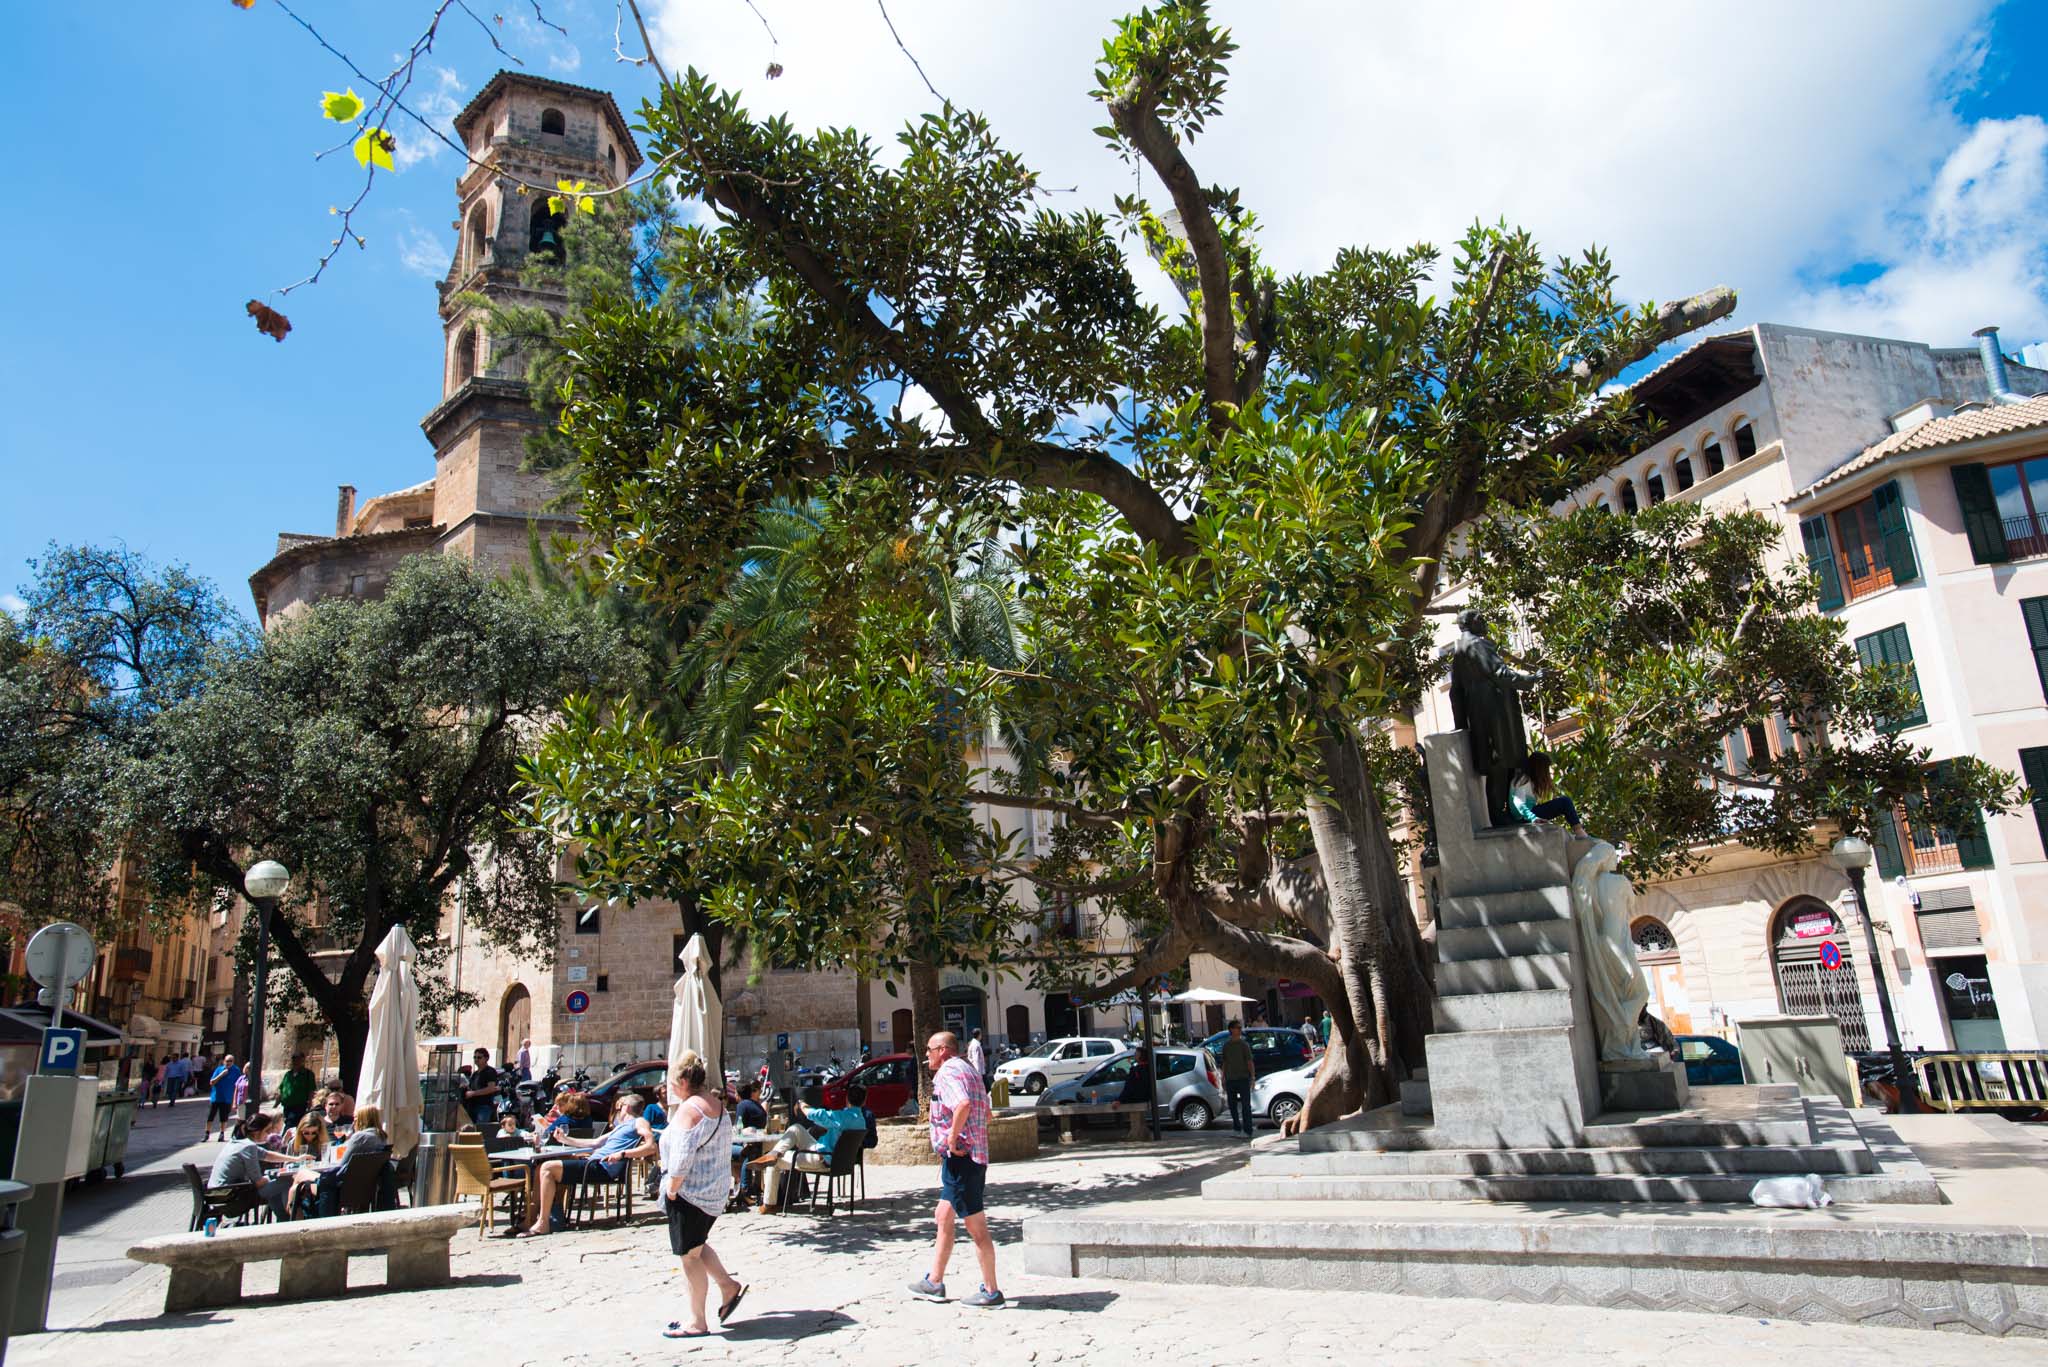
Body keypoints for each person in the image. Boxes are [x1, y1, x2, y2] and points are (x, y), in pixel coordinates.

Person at [908, 1032, 1002, 1308]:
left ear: (943, 1050)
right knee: (943, 1216)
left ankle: (992, 1291)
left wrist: (951, 1137)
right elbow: (986, 1110)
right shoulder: (969, 1070)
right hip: (969, 1157)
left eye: (929, 1050)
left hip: (962, 1159)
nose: (926, 1055)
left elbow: (963, 1104)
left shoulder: (948, 1073)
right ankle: (934, 1281)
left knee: (977, 1228)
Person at [659, 1052, 747, 1339]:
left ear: (684, 1081)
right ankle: (728, 1286)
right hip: (713, 1191)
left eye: (673, 1082)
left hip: (690, 1193)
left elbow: (682, 1159)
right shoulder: (716, 1104)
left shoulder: (689, 1110)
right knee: (697, 1245)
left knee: (689, 1257)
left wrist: (672, 1188)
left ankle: (697, 1321)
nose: (670, 1087)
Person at [523, 1094, 658, 1236]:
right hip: (592, 1164)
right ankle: (530, 1219)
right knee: (540, 1168)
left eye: (621, 1105)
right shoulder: (621, 1127)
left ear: (627, 1107)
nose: (618, 1108)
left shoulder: (639, 1122)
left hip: (601, 1168)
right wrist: (565, 1139)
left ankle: (543, 1223)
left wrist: (623, 1154)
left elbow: (651, 1146)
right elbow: (595, 1142)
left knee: (547, 1167)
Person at [750, 1087, 868, 1213]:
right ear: (864, 1101)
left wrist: (801, 1105)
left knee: (774, 1163)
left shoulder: (841, 1117)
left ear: (847, 1099)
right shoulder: (861, 1121)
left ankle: (769, 1204)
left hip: (821, 1158)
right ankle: (775, 1153)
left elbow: (814, 1115)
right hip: (838, 1161)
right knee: (796, 1128)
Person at [290, 1103, 390, 1218]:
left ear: (363, 1119)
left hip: (340, 1187)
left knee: (300, 1176)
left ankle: (291, 1214)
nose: (354, 1122)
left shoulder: (359, 1137)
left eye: (356, 1118)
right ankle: (292, 1207)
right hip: (364, 1187)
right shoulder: (382, 1137)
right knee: (297, 1187)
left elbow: (341, 1165)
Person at [210, 1110, 302, 1221]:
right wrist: (276, 1176)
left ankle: (282, 1219)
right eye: (267, 1131)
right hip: (230, 1197)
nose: (269, 1135)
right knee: (288, 1181)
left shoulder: (236, 1143)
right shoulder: (248, 1147)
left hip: (216, 1194)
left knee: (277, 1184)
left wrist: (296, 1159)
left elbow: (267, 1155)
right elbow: (258, 1183)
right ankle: (291, 1220)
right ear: (256, 1132)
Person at [1514, 751, 1587, 835]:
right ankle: (1580, 832)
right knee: (1565, 802)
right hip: (1522, 818)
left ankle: (1579, 830)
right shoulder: (1524, 780)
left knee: (1564, 802)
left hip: (1529, 815)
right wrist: (1533, 818)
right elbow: (1518, 802)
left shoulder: (1531, 781)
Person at [730, 1081, 769, 1201]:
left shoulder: (742, 1105)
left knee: (727, 1150)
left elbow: (738, 1128)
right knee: (745, 1152)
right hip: (759, 1146)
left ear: (738, 1094)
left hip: (748, 1145)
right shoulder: (757, 1105)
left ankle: (744, 1188)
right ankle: (744, 1187)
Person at [1219, 1021, 1256, 1139]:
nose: (1240, 1030)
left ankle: (1248, 1130)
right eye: (1237, 1028)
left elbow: (1249, 1062)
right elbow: (1225, 1062)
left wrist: (1253, 1077)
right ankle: (1236, 1128)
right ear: (1231, 1030)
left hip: (1243, 1078)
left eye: (1240, 1028)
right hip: (1231, 1079)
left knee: (1246, 1105)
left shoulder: (1244, 1045)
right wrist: (1223, 1077)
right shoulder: (1227, 1046)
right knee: (1232, 1105)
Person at [463, 1047, 502, 1130]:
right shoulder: (475, 1074)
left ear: (486, 1058)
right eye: (475, 1057)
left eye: (479, 1057)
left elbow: (491, 1088)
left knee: (481, 1130)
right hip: (472, 1106)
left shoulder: (490, 1071)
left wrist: (473, 1093)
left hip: (484, 1106)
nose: (476, 1059)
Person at [207, 1055, 244, 1142]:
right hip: (216, 1097)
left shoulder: (236, 1070)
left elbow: (238, 1084)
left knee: (223, 1117)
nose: (228, 1063)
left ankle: (222, 1133)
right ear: (224, 1061)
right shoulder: (219, 1069)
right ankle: (207, 1133)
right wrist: (221, 1075)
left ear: (233, 1062)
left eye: (230, 1061)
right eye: (227, 1061)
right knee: (210, 1116)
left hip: (227, 1097)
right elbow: (211, 1082)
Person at [277, 1053, 317, 1128]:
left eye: (298, 1060)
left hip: (299, 1105)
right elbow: (282, 1089)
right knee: (288, 1122)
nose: (296, 1062)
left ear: (303, 1061)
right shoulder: (288, 1074)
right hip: (287, 1105)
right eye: (294, 1060)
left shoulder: (308, 1074)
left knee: (290, 1124)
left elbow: (311, 1090)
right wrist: (276, 1104)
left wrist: (310, 1104)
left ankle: (285, 1138)